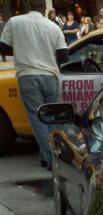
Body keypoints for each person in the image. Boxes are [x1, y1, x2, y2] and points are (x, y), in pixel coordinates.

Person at [0, 0, 68, 169]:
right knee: (50, 118)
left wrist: (23, 48)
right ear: (44, 8)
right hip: (50, 76)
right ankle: (46, 156)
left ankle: (51, 159)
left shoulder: (15, 22)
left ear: (27, 6)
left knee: (37, 119)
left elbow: (3, 48)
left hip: (28, 76)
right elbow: (64, 56)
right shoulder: (53, 27)